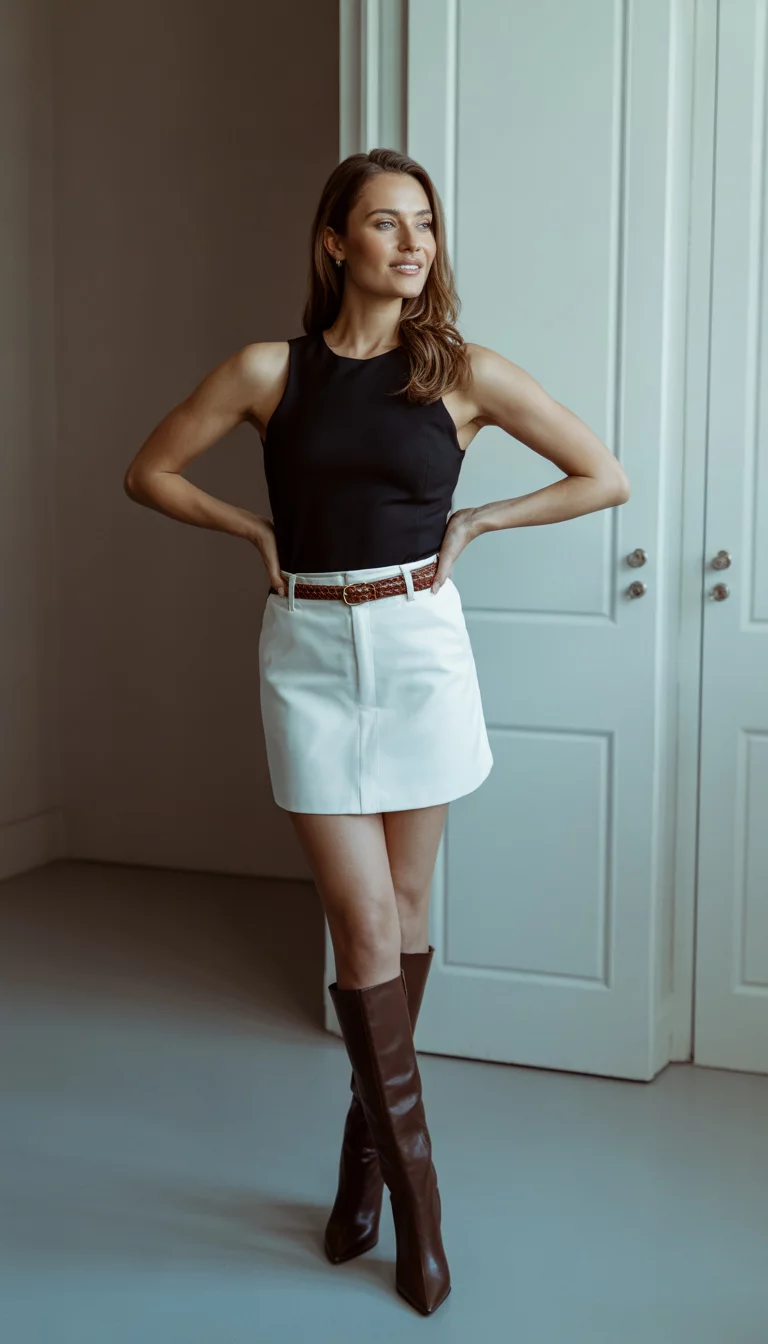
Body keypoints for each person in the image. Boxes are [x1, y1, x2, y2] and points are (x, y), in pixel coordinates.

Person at [123, 147, 630, 1315]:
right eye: (386, 224)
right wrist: (254, 536)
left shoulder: (458, 374)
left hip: (418, 652)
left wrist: (485, 520)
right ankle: (424, 1205)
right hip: (306, 656)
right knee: (358, 922)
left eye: (427, 227)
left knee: (402, 918)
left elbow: (602, 475)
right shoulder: (269, 370)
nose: (413, 244)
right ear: (333, 242)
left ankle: (364, 1168)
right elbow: (148, 471)